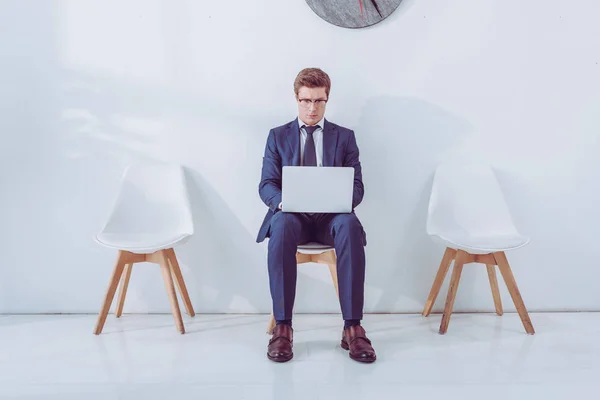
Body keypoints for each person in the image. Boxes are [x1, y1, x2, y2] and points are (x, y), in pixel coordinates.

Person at [256, 68, 376, 363]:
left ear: (327, 100)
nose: (312, 108)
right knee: (280, 223)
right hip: (292, 217)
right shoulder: (277, 136)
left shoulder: (345, 138)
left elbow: (358, 187)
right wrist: (283, 202)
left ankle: (352, 328)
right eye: (306, 100)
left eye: (319, 101)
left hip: (331, 220)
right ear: (296, 99)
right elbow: (267, 184)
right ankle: (283, 328)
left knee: (349, 224)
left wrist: (340, 200)